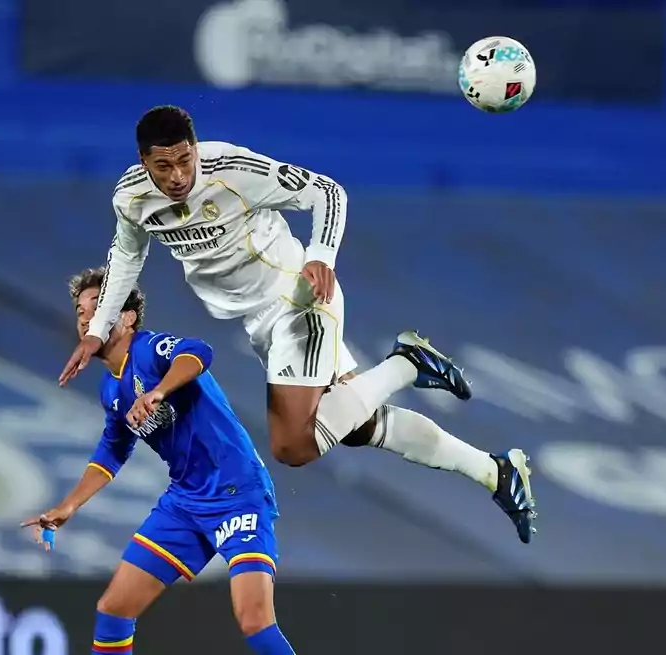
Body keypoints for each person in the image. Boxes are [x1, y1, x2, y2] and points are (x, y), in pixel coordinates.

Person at [56, 105, 537, 543]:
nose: (179, 175)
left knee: (294, 444)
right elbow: (125, 259)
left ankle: (406, 364)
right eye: (165, 166)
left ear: (196, 148)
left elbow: (327, 191)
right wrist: (97, 330)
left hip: (298, 299)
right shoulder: (132, 198)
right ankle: (496, 473)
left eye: (186, 160)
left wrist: (321, 256)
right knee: (355, 424)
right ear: (144, 162)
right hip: (259, 321)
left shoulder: (232, 172)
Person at [26, 268, 330, 655]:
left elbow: (199, 352)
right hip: (186, 501)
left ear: (125, 316)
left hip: (237, 494)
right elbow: (113, 448)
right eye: (80, 312)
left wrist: (162, 391)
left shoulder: (150, 350)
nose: (85, 319)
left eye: (95, 309)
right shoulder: (113, 388)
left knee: (254, 618)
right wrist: (69, 505)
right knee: (114, 607)